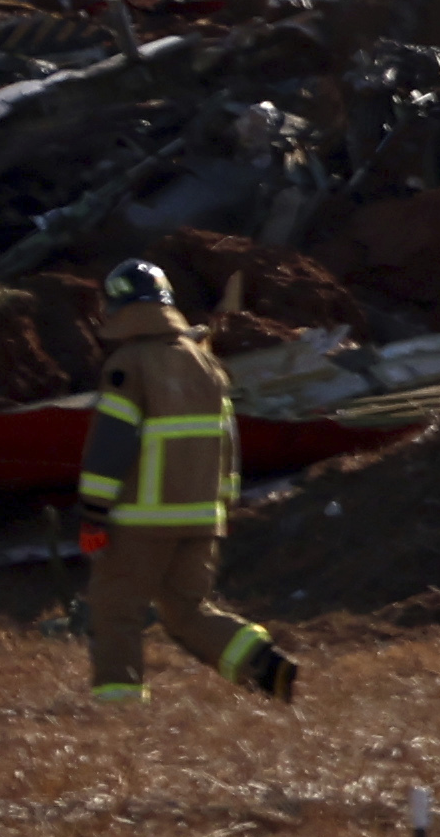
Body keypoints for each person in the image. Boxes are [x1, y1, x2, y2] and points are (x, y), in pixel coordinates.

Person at [72, 259, 296, 706]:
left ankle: (119, 703)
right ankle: (263, 663)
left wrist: (94, 511)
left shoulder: (128, 365)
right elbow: (229, 443)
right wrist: (225, 504)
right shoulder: (206, 363)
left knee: (116, 609)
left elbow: (111, 444)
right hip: (202, 516)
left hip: (141, 518)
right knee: (186, 611)